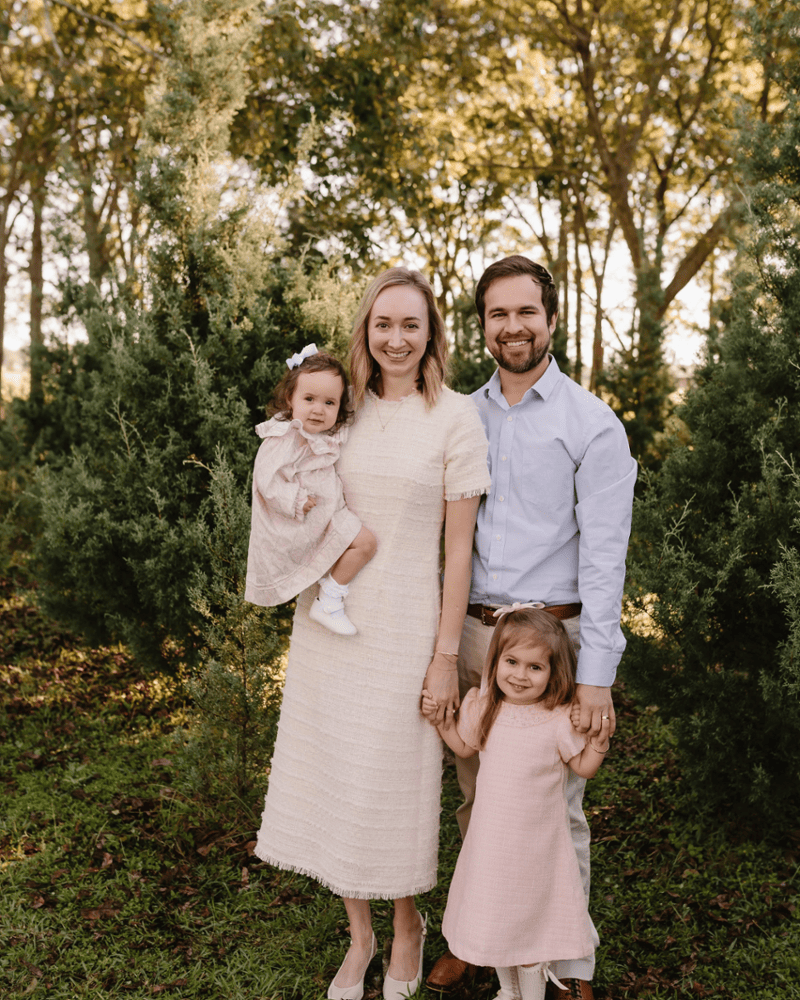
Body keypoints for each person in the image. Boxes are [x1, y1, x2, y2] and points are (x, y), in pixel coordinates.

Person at [253, 267, 491, 1000]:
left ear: (431, 334)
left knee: (393, 782)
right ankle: (360, 937)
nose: (395, 338)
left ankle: (408, 924)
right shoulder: (339, 409)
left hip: (407, 627)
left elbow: (459, 552)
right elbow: (286, 482)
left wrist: (445, 656)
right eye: (383, 324)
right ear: (366, 331)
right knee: (339, 777)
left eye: (410, 324)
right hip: (332, 622)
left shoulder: (455, 418)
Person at [426, 255, 636, 1000]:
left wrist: (597, 676)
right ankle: (481, 938)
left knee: (557, 806)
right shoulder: (460, 416)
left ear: (550, 319)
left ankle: (567, 966)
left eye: (525, 312)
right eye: (498, 314)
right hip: (478, 634)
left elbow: (606, 558)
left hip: (554, 645)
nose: (512, 326)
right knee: (478, 795)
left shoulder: (591, 424)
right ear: (482, 325)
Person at [422, 606, 612, 1000]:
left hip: (538, 850)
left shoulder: (558, 718)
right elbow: (463, 746)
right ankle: (508, 991)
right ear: (495, 661)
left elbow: (583, 767)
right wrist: (442, 722)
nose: (520, 675)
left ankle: (532, 994)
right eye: (511, 662)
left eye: (535, 667)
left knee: (529, 930)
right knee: (497, 920)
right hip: (492, 846)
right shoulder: (483, 706)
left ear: (553, 672)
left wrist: (598, 743)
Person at [244, 345, 377, 635]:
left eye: (330, 403)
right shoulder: (286, 436)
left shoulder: (326, 432)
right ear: (289, 399)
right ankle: (329, 600)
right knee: (366, 543)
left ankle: (329, 596)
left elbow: (354, 404)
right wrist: (295, 499)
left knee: (365, 544)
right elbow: (266, 478)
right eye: (309, 399)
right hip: (310, 515)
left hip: (329, 513)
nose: (319, 409)